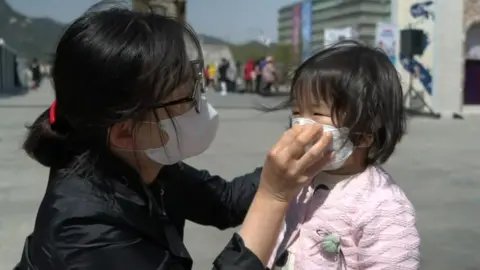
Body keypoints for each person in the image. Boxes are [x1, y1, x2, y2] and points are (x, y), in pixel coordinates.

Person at [15, 7, 334, 270]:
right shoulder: (85, 231)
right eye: (186, 98)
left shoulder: (142, 164)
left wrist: (290, 163)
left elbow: (222, 201)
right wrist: (273, 197)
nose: (200, 105)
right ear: (126, 132)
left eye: (196, 86)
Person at [267, 41, 420, 270]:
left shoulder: (383, 207)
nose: (300, 125)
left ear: (366, 133)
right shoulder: (299, 181)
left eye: (317, 113)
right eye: (297, 112)